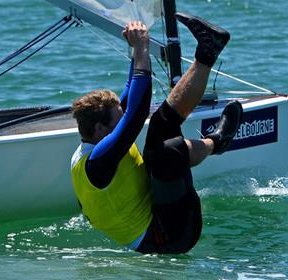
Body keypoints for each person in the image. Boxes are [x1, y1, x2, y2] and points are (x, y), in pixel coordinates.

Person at [70, 13, 243, 254]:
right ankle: (217, 142)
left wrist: (137, 50)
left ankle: (208, 49)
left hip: (160, 212)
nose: (123, 125)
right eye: (117, 122)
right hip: (166, 238)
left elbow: (131, 102)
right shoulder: (98, 164)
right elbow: (136, 114)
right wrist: (142, 47)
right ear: (99, 129)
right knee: (166, 152)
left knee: (161, 126)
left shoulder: (93, 141)